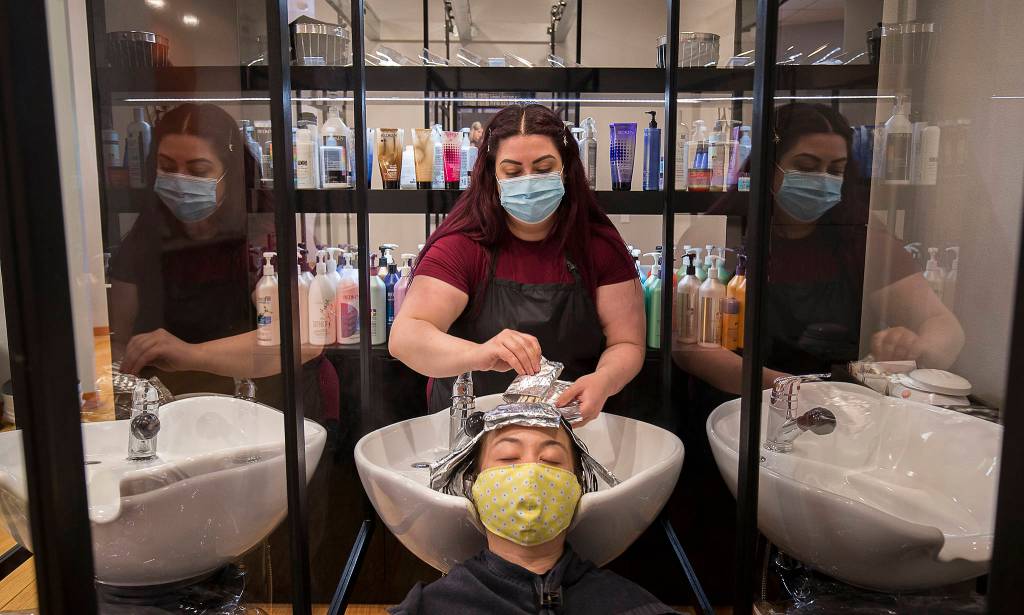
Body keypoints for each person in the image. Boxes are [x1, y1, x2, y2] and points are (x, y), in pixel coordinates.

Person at [674, 103, 964, 393]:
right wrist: (796, 390)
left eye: (835, 170)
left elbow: (943, 326)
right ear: (767, 166)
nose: (822, 179)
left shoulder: (863, 240)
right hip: (737, 406)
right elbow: (686, 346)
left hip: (844, 408)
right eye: (807, 167)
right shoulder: (718, 234)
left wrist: (917, 350)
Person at [389, 104, 645, 423]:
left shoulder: (597, 247)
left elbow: (627, 342)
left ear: (566, 168)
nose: (529, 182)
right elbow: (407, 336)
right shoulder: (463, 246)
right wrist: (480, 354)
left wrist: (604, 380)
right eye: (512, 172)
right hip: (473, 433)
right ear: (492, 176)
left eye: (543, 168)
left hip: (571, 429)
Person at [108, 103, 329, 409]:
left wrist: (189, 354)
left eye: (198, 171)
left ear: (231, 172)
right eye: (167, 167)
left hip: (267, 404)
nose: (180, 181)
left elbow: (303, 340)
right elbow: (117, 337)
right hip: (178, 406)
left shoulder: (264, 228)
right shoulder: (147, 231)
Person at [390, 410, 678, 614]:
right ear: (473, 484)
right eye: (508, 458)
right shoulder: (429, 607)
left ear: (578, 486)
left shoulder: (633, 606)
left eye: (551, 460)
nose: (530, 474)